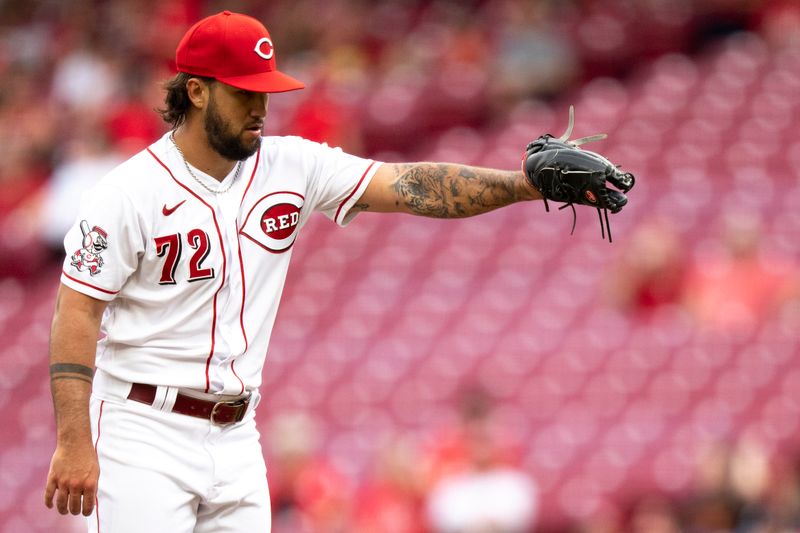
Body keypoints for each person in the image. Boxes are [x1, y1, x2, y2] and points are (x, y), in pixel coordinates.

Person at [42, 10, 632, 533]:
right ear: (196, 91)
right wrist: (74, 441)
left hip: (236, 431)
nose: (260, 106)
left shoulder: (292, 164)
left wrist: (521, 185)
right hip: (142, 428)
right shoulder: (126, 194)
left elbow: (408, 185)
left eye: (266, 91)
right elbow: (77, 309)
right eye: (244, 92)